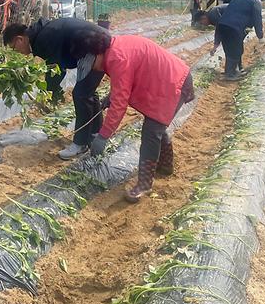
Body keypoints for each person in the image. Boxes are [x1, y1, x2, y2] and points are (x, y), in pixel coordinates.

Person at [73, 29, 194, 203]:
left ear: (97, 54)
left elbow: (120, 104)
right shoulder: (114, 48)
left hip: (174, 83)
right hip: (165, 82)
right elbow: (124, 79)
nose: (92, 68)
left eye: (91, 63)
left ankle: (145, 184)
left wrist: (103, 135)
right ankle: (166, 165)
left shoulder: (117, 57)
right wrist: (112, 95)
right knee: (157, 125)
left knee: (152, 131)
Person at [3, 18, 106, 160]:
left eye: (15, 48)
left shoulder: (42, 39)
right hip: (97, 43)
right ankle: (95, 133)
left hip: (94, 48)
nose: (18, 52)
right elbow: (57, 66)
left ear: (20, 39)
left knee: (80, 94)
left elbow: (57, 69)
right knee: (87, 92)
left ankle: (80, 144)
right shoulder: (40, 34)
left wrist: (48, 92)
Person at [214, 0, 265, 81]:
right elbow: (257, 20)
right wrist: (260, 36)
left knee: (229, 49)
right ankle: (230, 74)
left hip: (222, 24)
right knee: (236, 50)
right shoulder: (256, 1)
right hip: (235, 27)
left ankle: (231, 70)